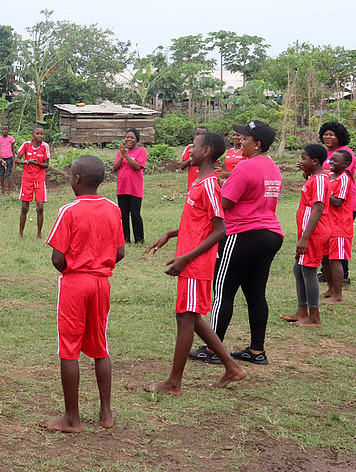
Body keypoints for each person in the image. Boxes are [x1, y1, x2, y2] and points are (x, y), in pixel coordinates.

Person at [144, 132, 247, 395]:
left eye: (194, 148)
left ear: (207, 151)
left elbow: (220, 229)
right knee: (192, 316)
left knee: (185, 318)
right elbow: (199, 223)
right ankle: (232, 368)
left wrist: (186, 258)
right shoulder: (199, 182)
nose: (189, 151)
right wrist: (171, 233)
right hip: (191, 259)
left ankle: (174, 383)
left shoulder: (211, 185)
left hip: (196, 263)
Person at [40, 155, 124, 433]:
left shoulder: (70, 210)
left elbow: (57, 257)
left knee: (69, 348)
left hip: (75, 283)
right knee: (100, 346)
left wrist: (74, 269)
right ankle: (106, 411)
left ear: (76, 180)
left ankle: (72, 418)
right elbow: (120, 252)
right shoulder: (113, 209)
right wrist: (99, 265)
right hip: (102, 283)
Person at [195, 121, 283, 366]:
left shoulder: (245, 168)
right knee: (256, 294)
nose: (239, 142)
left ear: (257, 144)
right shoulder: (273, 168)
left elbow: (225, 203)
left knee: (223, 292)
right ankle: (257, 351)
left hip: (242, 234)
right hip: (270, 234)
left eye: (244, 139)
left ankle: (213, 349)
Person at [280, 144, 329, 325]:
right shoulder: (314, 178)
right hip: (309, 232)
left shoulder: (320, 180)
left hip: (315, 233)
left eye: (304, 158)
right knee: (298, 269)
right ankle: (302, 311)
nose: (301, 161)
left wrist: (305, 237)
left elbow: (318, 209)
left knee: (308, 270)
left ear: (315, 161)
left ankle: (314, 317)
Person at [318, 121, 356, 286]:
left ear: (339, 136)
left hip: (345, 202)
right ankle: (328, 273)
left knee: (338, 238)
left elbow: (339, 176)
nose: (327, 137)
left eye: (332, 134)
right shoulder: (327, 153)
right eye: (325, 134)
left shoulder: (345, 153)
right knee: (329, 237)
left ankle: (343, 276)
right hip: (330, 199)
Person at [322, 149, 354, 305]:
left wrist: (323, 192)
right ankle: (330, 289)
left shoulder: (345, 179)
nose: (331, 163)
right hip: (327, 225)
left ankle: (338, 295)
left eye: (335, 161)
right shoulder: (329, 177)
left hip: (340, 226)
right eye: (330, 160)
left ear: (346, 164)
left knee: (335, 260)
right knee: (325, 258)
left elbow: (337, 202)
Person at [113, 128, 147, 244]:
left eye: (132, 137)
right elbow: (114, 168)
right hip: (122, 188)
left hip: (135, 188)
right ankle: (125, 239)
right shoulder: (121, 152)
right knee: (123, 214)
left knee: (135, 214)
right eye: (127, 137)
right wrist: (122, 155)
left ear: (137, 140)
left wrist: (126, 155)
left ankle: (139, 239)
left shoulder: (141, 151)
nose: (128, 139)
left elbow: (137, 167)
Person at [16, 126, 50, 239]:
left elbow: (46, 165)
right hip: (27, 179)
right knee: (24, 208)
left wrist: (37, 164)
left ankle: (39, 235)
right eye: (37, 133)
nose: (40, 136)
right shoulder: (26, 145)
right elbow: (16, 160)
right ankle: (21, 234)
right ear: (33, 134)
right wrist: (26, 162)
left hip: (39, 180)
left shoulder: (45, 146)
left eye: (42, 134)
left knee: (40, 208)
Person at [0, 124, 16, 196]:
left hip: (9, 158)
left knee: (9, 174)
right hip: (2, 159)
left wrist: (14, 159)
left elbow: (13, 149)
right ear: (1, 130)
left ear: (8, 130)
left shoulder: (11, 139)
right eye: (3, 129)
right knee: (2, 174)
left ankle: (9, 191)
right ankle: (3, 190)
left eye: (6, 129)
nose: (4, 131)